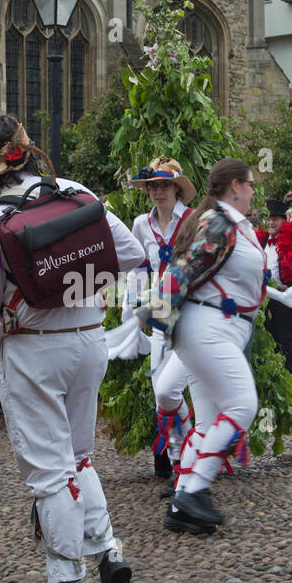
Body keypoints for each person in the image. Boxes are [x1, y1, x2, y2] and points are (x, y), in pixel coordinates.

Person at [0, 114, 143, 583]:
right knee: (79, 458)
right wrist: (78, 283)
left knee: (50, 470)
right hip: (90, 339)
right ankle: (108, 553)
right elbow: (129, 253)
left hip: (35, 346)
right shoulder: (76, 191)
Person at [154, 158, 266, 532]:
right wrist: (155, 314)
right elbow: (182, 269)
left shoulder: (233, 224)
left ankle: (181, 508)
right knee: (242, 405)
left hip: (220, 328)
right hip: (208, 328)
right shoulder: (218, 221)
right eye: (250, 185)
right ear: (235, 186)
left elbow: (237, 280)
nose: (253, 191)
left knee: (208, 419)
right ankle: (195, 490)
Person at [126, 158, 196, 490]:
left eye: (164, 185)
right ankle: (180, 465)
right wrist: (137, 307)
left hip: (190, 312)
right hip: (158, 312)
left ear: (176, 188)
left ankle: (190, 462)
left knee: (176, 388)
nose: (157, 192)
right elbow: (139, 268)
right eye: (152, 186)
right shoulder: (141, 224)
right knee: (161, 395)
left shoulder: (193, 219)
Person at [263, 198, 292, 380]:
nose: (271, 222)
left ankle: (289, 378)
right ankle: (271, 378)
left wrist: (288, 287)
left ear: (283, 221)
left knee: (284, 340)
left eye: (275, 219)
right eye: (268, 219)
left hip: (284, 299)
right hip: (263, 299)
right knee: (267, 339)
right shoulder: (261, 241)